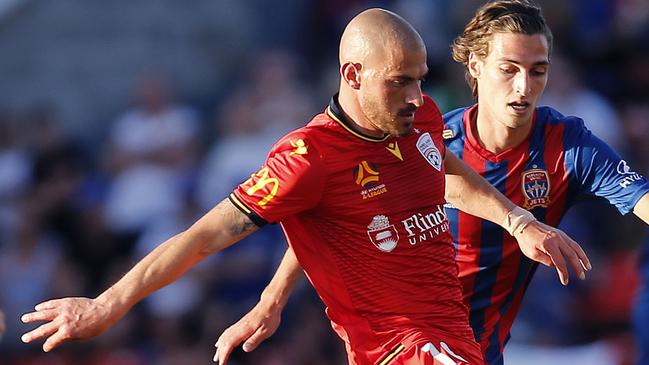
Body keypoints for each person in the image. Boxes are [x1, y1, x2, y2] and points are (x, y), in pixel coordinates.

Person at [21, 8, 590, 365]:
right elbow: (201, 237)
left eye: (420, 80)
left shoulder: (416, 120)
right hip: (405, 349)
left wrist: (518, 220)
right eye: (401, 83)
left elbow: (438, 175)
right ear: (352, 75)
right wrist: (105, 305)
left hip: (450, 339)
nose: (418, 97)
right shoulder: (306, 159)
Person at [213, 1, 649, 365]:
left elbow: (641, 198)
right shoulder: (425, 139)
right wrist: (274, 297)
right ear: (475, 67)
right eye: (508, 68)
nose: (523, 86)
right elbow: (333, 211)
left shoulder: (566, 146)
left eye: (537, 70)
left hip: (477, 348)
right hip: (402, 339)